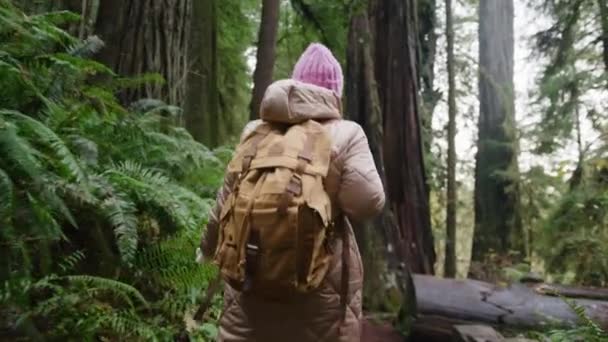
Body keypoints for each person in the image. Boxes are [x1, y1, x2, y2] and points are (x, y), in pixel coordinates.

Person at [198, 43, 385, 342]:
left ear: (296, 82)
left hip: (249, 285)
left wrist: (206, 249)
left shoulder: (255, 131)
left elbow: (224, 203)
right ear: (335, 93)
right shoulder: (346, 133)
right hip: (318, 297)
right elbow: (367, 203)